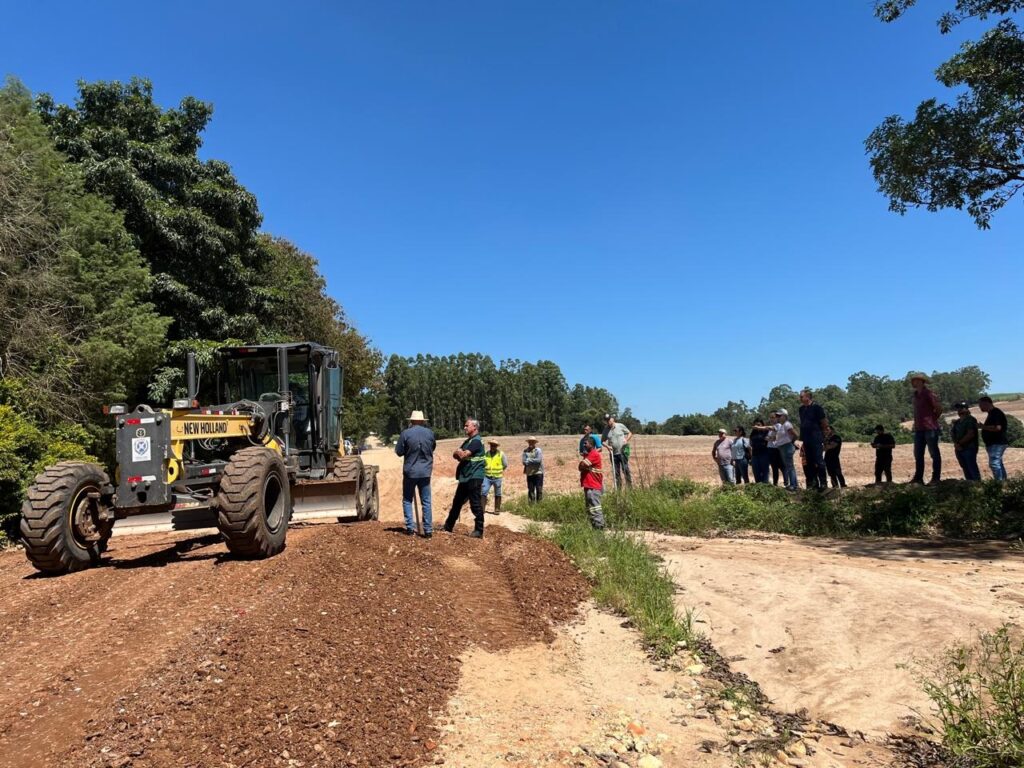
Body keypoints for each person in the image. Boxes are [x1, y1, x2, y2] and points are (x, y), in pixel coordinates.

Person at [439, 419, 486, 538]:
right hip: (466, 476)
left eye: (467, 426)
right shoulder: (468, 441)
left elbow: (463, 455)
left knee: (475, 503)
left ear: (474, 427)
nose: (464, 428)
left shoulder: (476, 441)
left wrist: (460, 452)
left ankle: (479, 530)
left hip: (475, 476)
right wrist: (459, 452)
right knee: (457, 502)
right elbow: (455, 454)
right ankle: (448, 526)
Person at [395, 410, 436, 537]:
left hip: (410, 472)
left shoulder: (406, 433)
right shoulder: (430, 433)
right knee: (426, 501)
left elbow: (399, 452)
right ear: (423, 421)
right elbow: (433, 448)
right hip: (425, 472)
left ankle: (410, 528)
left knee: (407, 500)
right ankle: (428, 530)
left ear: (411, 421)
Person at [909, 373, 942, 484]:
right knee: (918, 454)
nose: (915, 382)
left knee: (934, 453)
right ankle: (918, 478)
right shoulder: (915, 396)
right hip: (919, 429)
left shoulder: (929, 394)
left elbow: (938, 408)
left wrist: (933, 419)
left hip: (930, 428)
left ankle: (936, 478)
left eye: (918, 380)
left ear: (922, 382)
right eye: (914, 380)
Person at [798, 389, 829, 490]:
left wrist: (824, 435)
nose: (800, 398)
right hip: (806, 438)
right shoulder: (801, 409)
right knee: (810, 462)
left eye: (801, 396)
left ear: (808, 397)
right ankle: (814, 483)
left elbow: (823, 422)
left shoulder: (817, 408)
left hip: (816, 437)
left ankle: (823, 483)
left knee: (819, 461)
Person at [578, 435, 605, 530]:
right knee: (590, 507)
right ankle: (594, 526)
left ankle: (599, 526)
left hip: (593, 486)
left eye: (586, 443)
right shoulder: (589, 454)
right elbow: (580, 467)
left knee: (595, 507)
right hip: (589, 485)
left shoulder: (593, 454)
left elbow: (582, 465)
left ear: (591, 444)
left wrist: (582, 465)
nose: (584, 445)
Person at [978, 396, 1009, 481]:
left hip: (997, 443)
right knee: (998, 463)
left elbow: (997, 428)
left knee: (994, 463)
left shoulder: (995, 413)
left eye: (980, 405)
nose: (980, 407)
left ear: (986, 403)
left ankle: (998, 483)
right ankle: (1004, 482)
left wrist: (983, 427)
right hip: (995, 443)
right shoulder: (992, 413)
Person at [950, 402, 981, 481]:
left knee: (972, 467)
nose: (959, 410)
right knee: (965, 467)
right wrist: (956, 444)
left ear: (966, 409)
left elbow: (970, 434)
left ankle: (977, 485)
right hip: (959, 448)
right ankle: (969, 484)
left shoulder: (970, 420)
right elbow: (953, 433)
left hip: (969, 448)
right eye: (958, 408)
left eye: (961, 408)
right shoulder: (957, 422)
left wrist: (959, 443)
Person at [602, 414, 633, 488]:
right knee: (616, 472)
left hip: (622, 453)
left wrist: (626, 440)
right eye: (606, 420)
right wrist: (607, 446)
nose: (608, 421)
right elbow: (602, 441)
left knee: (625, 470)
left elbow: (630, 433)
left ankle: (630, 488)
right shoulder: (606, 430)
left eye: (609, 419)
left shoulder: (620, 426)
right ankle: (619, 489)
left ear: (612, 419)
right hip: (613, 454)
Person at [774, 408, 799, 491]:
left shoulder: (787, 424)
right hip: (783, 447)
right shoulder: (782, 425)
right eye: (777, 416)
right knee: (789, 466)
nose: (778, 417)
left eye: (779, 416)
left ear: (784, 416)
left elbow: (795, 434)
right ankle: (794, 484)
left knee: (789, 466)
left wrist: (791, 442)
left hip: (787, 447)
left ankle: (793, 485)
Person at [481, 439, 508, 514]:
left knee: (498, 493)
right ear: (490, 445)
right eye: (491, 445)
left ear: (496, 446)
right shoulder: (486, 454)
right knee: (484, 492)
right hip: (487, 477)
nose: (493, 447)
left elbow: (505, 465)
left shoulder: (501, 454)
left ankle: (497, 509)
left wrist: (499, 471)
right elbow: (483, 464)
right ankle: (482, 509)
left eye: (494, 445)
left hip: (497, 477)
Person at [522, 436, 545, 503]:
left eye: (532, 442)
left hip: (538, 473)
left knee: (539, 489)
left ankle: (539, 504)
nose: (531, 443)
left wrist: (528, 460)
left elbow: (538, 460)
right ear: (528, 442)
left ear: (535, 443)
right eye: (530, 442)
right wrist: (531, 461)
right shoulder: (525, 451)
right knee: (531, 490)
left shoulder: (538, 450)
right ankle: (531, 506)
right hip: (529, 473)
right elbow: (523, 462)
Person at [749, 418, 772, 483]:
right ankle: (759, 487)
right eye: (755, 425)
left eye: (759, 425)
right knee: (756, 472)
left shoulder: (766, 432)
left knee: (765, 472)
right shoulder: (753, 433)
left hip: (764, 454)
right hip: (754, 455)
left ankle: (765, 486)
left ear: (762, 425)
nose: (757, 426)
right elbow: (751, 443)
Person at [766, 414, 784, 485]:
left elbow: (775, 438)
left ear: (777, 418)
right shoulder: (771, 428)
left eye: (773, 417)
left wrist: (769, 438)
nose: (771, 419)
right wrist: (769, 438)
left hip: (776, 449)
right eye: (770, 417)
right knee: (774, 467)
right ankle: (775, 483)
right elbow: (769, 437)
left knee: (781, 466)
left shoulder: (778, 425)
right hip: (770, 448)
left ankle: (786, 482)